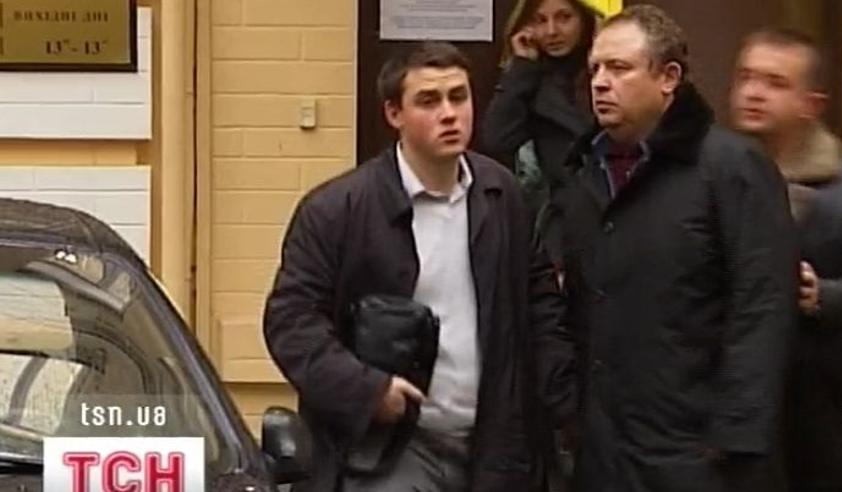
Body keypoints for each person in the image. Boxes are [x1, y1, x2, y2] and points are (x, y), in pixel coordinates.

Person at [263, 41, 570, 492]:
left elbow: (540, 302)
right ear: (394, 113)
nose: (449, 114)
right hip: (392, 448)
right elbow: (291, 322)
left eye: (459, 97)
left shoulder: (500, 194)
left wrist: (558, 401)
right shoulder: (338, 209)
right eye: (428, 101)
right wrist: (368, 391)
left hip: (494, 443)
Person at [552, 5, 800, 491]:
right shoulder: (584, 175)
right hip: (603, 450)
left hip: (696, 453)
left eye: (619, 68)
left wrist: (736, 439)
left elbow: (763, 303)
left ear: (668, 78)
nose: (600, 83)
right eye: (595, 69)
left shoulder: (731, 167)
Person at [731, 27, 842, 492]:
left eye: (775, 83)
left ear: (811, 103)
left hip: (826, 418)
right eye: (746, 77)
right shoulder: (718, 179)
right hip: (739, 415)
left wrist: (821, 296)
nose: (754, 92)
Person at [481, 0, 603, 270]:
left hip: (618, 212)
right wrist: (522, 66)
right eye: (540, 20)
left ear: (584, 19)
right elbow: (497, 138)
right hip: (563, 225)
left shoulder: (607, 70)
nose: (551, 31)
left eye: (564, 17)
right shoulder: (530, 79)